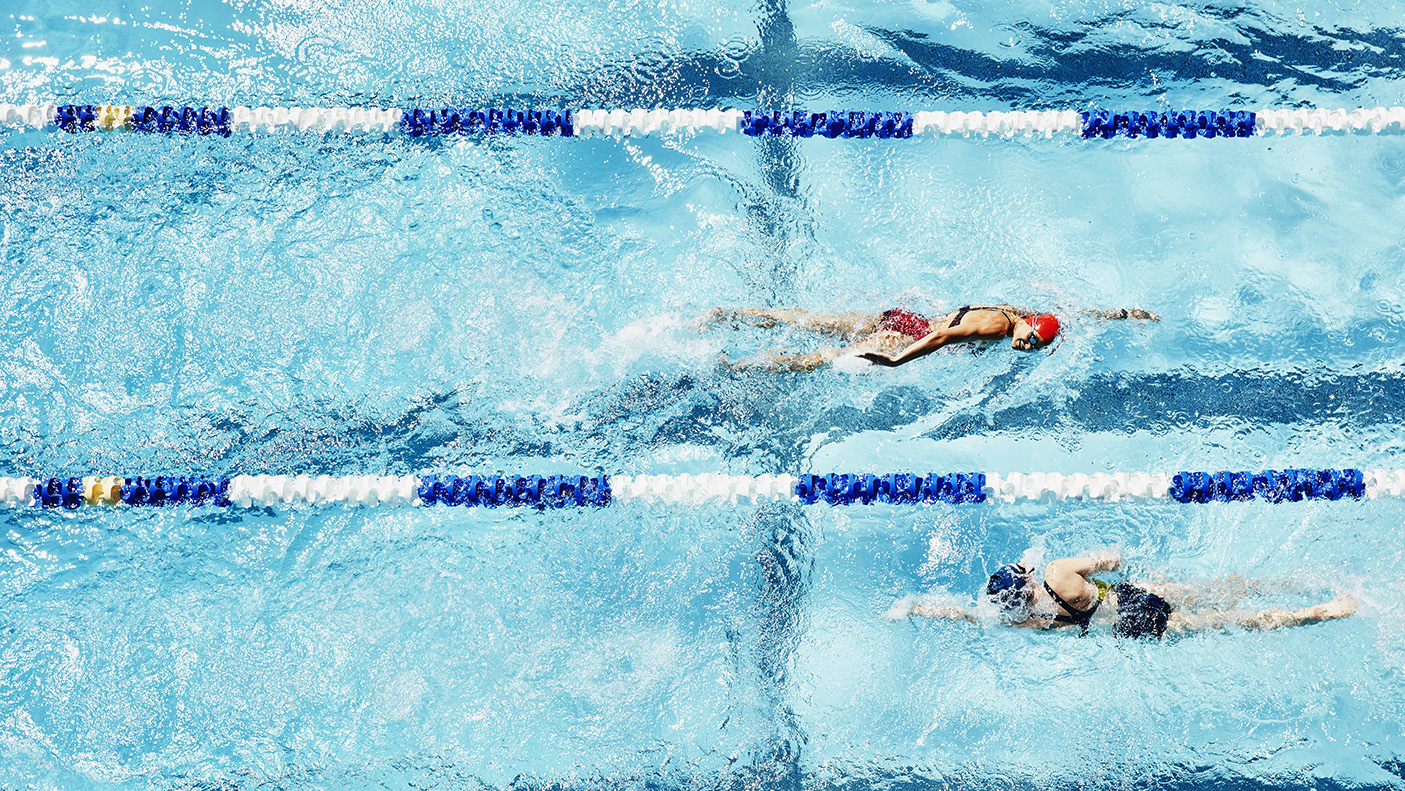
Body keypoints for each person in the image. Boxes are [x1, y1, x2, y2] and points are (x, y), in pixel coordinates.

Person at [887, 550, 1356, 638]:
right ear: (1027, 581)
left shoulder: (1028, 620)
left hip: (1129, 627)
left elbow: (967, 616)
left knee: (1233, 622)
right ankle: (1297, 584)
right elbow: (1111, 559)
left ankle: (1321, 611)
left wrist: (918, 608)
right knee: (1227, 591)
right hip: (1134, 595)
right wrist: (1118, 558)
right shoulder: (1056, 572)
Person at [701, 304, 1158, 372]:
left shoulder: (1018, 312)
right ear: (1025, 325)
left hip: (905, 315)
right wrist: (898, 362)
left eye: (1033, 347)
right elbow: (940, 336)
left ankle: (734, 315)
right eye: (1029, 339)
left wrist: (1123, 314)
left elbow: (1080, 313)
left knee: (820, 322)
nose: (1025, 347)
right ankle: (743, 365)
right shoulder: (999, 327)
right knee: (827, 358)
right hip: (911, 333)